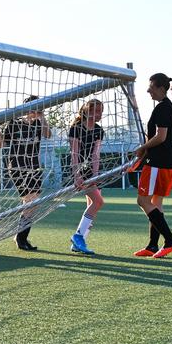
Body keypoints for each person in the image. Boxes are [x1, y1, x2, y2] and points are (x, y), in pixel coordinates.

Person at [133, 73, 172, 258]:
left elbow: (160, 137)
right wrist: (144, 153)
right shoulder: (165, 106)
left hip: (159, 162)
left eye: (151, 87)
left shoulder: (163, 107)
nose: (148, 90)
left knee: (143, 200)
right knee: (155, 203)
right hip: (166, 161)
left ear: (162, 88)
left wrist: (142, 148)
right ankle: (153, 245)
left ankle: (170, 240)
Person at [0, 95, 51, 250]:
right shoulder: (14, 123)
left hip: (34, 167)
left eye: (38, 107)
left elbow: (48, 134)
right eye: (33, 107)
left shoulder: (39, 124)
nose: (35, 110)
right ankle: (21, 239)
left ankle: (19, 236)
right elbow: (0, 144)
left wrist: (42, 116)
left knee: (32, 203)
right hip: (17, 167)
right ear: (26, 108)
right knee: (31, 201)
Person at [68, 99, 105, 255]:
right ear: (87, 111)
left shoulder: (99, 130)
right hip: (79, 171)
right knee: (98, 202)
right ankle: (78, 237)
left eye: (101, 112)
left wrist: (96, 175)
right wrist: (77, 175)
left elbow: (96, 154)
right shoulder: (75, 129)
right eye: (96, 111)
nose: (99, 114)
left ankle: (79, 241)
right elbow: (74, 154)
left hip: (92, 171)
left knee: (93, 205)